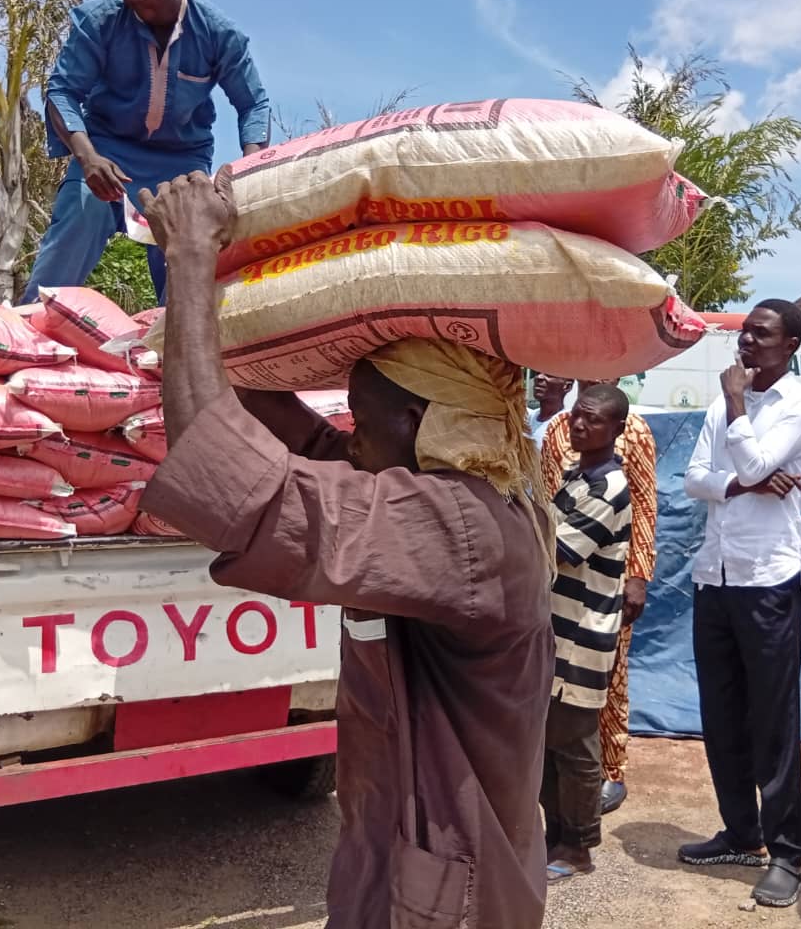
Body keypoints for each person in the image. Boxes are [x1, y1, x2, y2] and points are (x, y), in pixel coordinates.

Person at [136, 170, 556, 928]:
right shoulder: (428, 488)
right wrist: (215, 307)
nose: (348, 435)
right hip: (399, 857)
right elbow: (293, 433)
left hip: (448, 895)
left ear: (419, 420)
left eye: (361, 419)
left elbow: (224, 468)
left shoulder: (454, 528)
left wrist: (191, 259)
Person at [21, 0, 270, 304]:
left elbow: (252, 103)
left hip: (182, 162)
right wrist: (87, 157)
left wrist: (253, 174)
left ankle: (174, 348)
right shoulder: (98, 23)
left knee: (186, 267)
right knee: (80, 215)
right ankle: (31, 328)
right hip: (106, 152)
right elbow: (63, 91)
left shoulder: (219, 34)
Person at [679, 299, 801, 909]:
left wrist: (739, 410)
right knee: (721, 713)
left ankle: (787, 854)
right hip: (715, 575)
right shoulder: (718, 406)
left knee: (772, 720)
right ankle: (742, 833)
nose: (746, 342)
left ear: (789, 345)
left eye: (760, 335)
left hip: (769, 578)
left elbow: (762, 458)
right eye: (743, 331)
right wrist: (744, 483)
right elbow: (695, 480)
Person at [541, 380, 657, 814]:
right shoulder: (556, 429)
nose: (581, 423)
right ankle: (563, 816)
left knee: (599, 690)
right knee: (560, 709)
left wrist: (639, 575)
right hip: (557, 590)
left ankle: (609, 774)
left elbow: (644, 503)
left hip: (597, 582)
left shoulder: (635, 436)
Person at [543, 383, 633, 884]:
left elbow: (555, 548)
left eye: (593, 420)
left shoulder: (607, 487)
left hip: (582, 633)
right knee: (551, 740)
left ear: (617, 428)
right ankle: (555, 835)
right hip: (557, 627)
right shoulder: (578, 475)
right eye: (577, 416)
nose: (580, 425)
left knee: (575, 745)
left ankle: (577, 846)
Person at [529, 372, 574, 448]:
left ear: (567, 386)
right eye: (537, 373)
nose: (539, 377)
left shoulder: (567, 426)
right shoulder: (526, 418)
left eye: (549, 374)